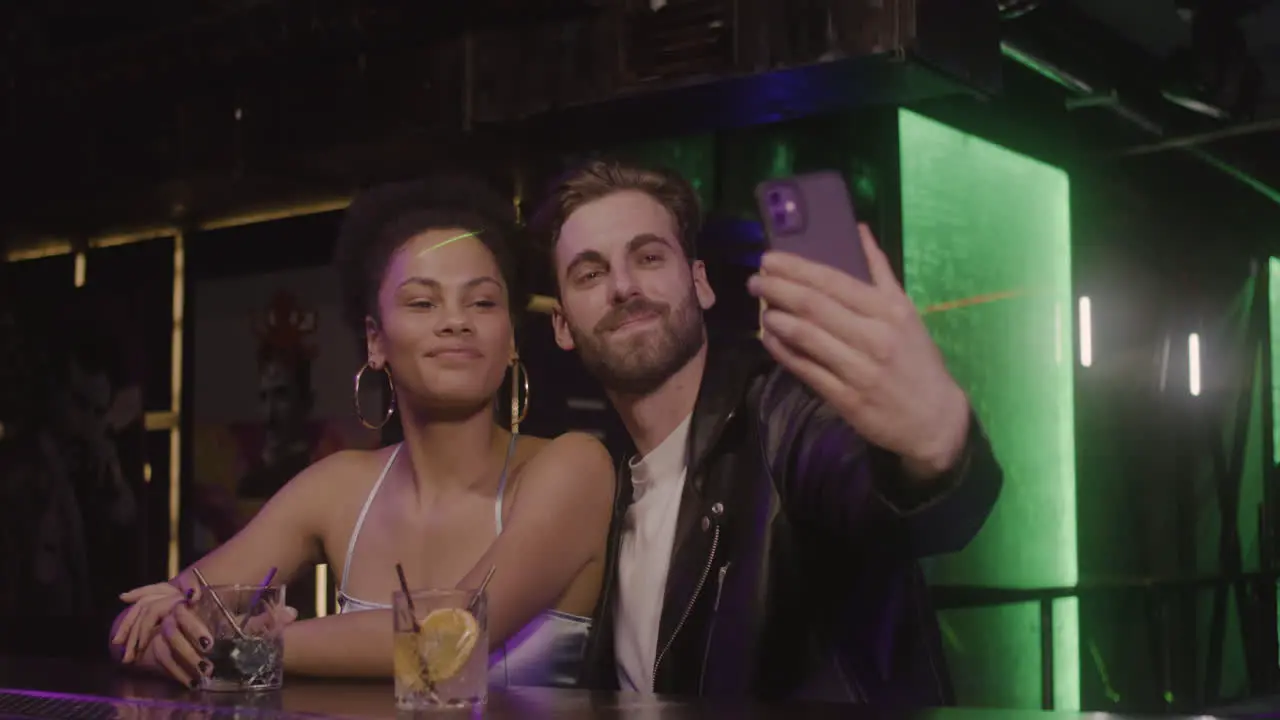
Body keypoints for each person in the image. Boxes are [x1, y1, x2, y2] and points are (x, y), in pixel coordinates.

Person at [109, 176, 615, 690]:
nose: (455, 322)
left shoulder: (572, 467)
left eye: (482, 303)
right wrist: (169, 629)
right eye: (423, 303)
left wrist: (249, 647)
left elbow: (445, 643)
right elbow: (144, 625)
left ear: (510, 339)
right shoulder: (338, 487)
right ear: (375, 340)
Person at [532, 159, 1003, 703]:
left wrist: (936, 442)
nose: (623, 285)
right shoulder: (605, 489)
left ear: (700, 282)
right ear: (564, 326)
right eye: (590, 273)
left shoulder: (782, 417)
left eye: (649, 256)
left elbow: (901, 501)